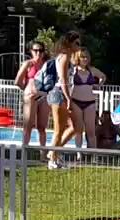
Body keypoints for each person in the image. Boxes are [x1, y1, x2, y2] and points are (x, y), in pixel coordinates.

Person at [45, 31, 81, 169]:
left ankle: (54, 153)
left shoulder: (67, 57)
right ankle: (52, 160)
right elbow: (64, 80)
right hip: (59, 93)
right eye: (76, 43)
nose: (79, 46)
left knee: (75, 126)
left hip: (61, 94)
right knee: (59, 130)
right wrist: (68, 99)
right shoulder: (64, 57)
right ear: (69, 43)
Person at [15, 40, 51, 149]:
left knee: (42, 127)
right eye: (35, 50)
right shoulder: (28, 64)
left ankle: (43, 154)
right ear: (31, 51)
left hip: (43, 96)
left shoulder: (47, 65)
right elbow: (17, 81)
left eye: (40, 50)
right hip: (31, 96)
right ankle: (24, 151)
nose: (38, 53)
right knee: (28, 125)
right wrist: (27, 89)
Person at [68, 47, 105, 151]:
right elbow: (64, 80)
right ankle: (79, 153)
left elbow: (103, 76)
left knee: (91, 130)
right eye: (82, 57)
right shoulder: (73, 71)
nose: (84, 59)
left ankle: (94, 154)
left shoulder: (92, 70)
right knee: (78, 129)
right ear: (78, 58)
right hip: (76, 101)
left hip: (90, 102)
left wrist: (98, 85)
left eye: (86, 57)